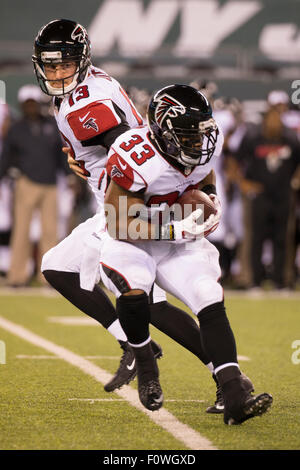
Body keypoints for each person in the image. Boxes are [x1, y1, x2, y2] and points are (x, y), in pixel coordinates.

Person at [32, 19, 239, 406]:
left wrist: (104, 167)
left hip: (128, 203)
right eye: (51, 65)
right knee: (68, 271)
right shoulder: (88, 84)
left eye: (64, 64)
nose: (58, 73)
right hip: (124, 198)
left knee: (141, 297)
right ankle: (211, 371)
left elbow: (122, 149)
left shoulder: (85, 103)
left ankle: (166, 357)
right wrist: (82, 157)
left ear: (82, 60)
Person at [99, 84, 273, 424]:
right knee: (134, 288)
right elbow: (116, 221)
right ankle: (148, 368)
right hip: (131, 238)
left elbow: (203, 169)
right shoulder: (137, 156)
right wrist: (171, 229)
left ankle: (234, 394)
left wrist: (210, 196)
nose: (199, 142)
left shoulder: (203, 144)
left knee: (208, 295)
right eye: (188, 135)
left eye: (201, 133)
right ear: (163, 132)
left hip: (176, 236)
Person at [233, 91, 300, 290]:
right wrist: (242, 182)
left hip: (283, 193)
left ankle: (281, 281)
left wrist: (295, 181)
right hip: (258, 194)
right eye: (272, 114)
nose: (274, 119)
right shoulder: (253, 135)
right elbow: (234, 160)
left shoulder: (290, 137)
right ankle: (254, 280)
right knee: (255, 237)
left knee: (283, 238)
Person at [0, 84, 65, 287]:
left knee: (50, 232)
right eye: (27, 104)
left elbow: (60, 154)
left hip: (50, 183)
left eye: (33, 103)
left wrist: (71, 177)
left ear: (38, 104)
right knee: (21, 231)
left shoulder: (51, 125)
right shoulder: (16, 128)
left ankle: (48, 277)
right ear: (22, 104)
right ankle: (17, 276)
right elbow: (8, 156)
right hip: (26, 182)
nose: (30, 107)